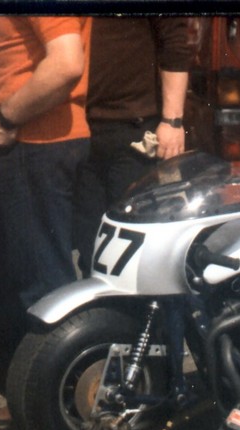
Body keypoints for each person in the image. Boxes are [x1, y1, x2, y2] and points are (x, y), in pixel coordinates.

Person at [0, 16, 91, 422]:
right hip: (42, 138)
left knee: (44, 281)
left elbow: (65, 64)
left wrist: (7, 117)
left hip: (33, 138)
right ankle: (55, 391)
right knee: (45, 273)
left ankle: (51, 407)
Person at [72, 17, 194, 277]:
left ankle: (145, 317)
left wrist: (172, 121)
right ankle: (101, 316)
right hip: (83, 130)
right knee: (89, 243)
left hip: (134, 131)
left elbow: (175, 43)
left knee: (137, 244)